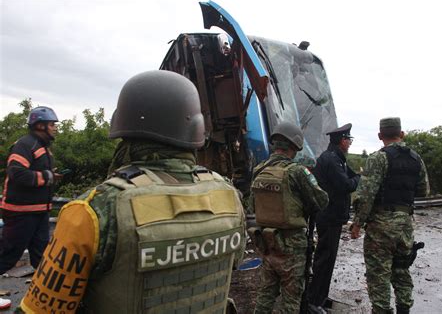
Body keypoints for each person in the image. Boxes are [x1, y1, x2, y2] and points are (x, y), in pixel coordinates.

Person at [20, 70, 246, 313]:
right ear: (196, 128)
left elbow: (40, 309)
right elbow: (231, 264)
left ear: (124, 130)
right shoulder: (229, 197)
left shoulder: (93, 211)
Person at [351, 117, 429, 314]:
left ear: (380, 136)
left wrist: (357, 224)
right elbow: (424, 190)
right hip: (405, 224)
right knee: (402, 270)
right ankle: (404, 309)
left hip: (381, 225)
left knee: (379, 275)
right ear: (401, 134)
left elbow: (366, 195)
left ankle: (382, 310)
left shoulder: (378, 158)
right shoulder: (415, 158)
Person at [250, 122, 328, 313]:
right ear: (294, 145)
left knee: (265, 295)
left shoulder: (259, 169)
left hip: (267, 241)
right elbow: (321, 200)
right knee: (291, 299)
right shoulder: (297, 171)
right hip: (292, 246)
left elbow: (252, 205)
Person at [0, 106, 60, 275]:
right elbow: (16, 173)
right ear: (40, 125)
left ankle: (40, 298)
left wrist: (49, 176)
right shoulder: (25, 145)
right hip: (21, 213)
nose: (55, 127)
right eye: (52, 124)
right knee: (7, 256)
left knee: (42, 257)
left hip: (39, 212)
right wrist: (46, 177)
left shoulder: (43, 147)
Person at [307, 123, 360, 312]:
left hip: (333, 217)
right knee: (324, 259)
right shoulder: (331, 160)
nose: (350, 143)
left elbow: (351, 175)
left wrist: (358, 175)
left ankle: (320, 297)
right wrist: (359, 179)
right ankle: (313, 301)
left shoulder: (337, 158)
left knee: (328, 260)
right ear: (341, 141)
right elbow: (346, 185)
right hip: (328, 217)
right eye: (349, 140)